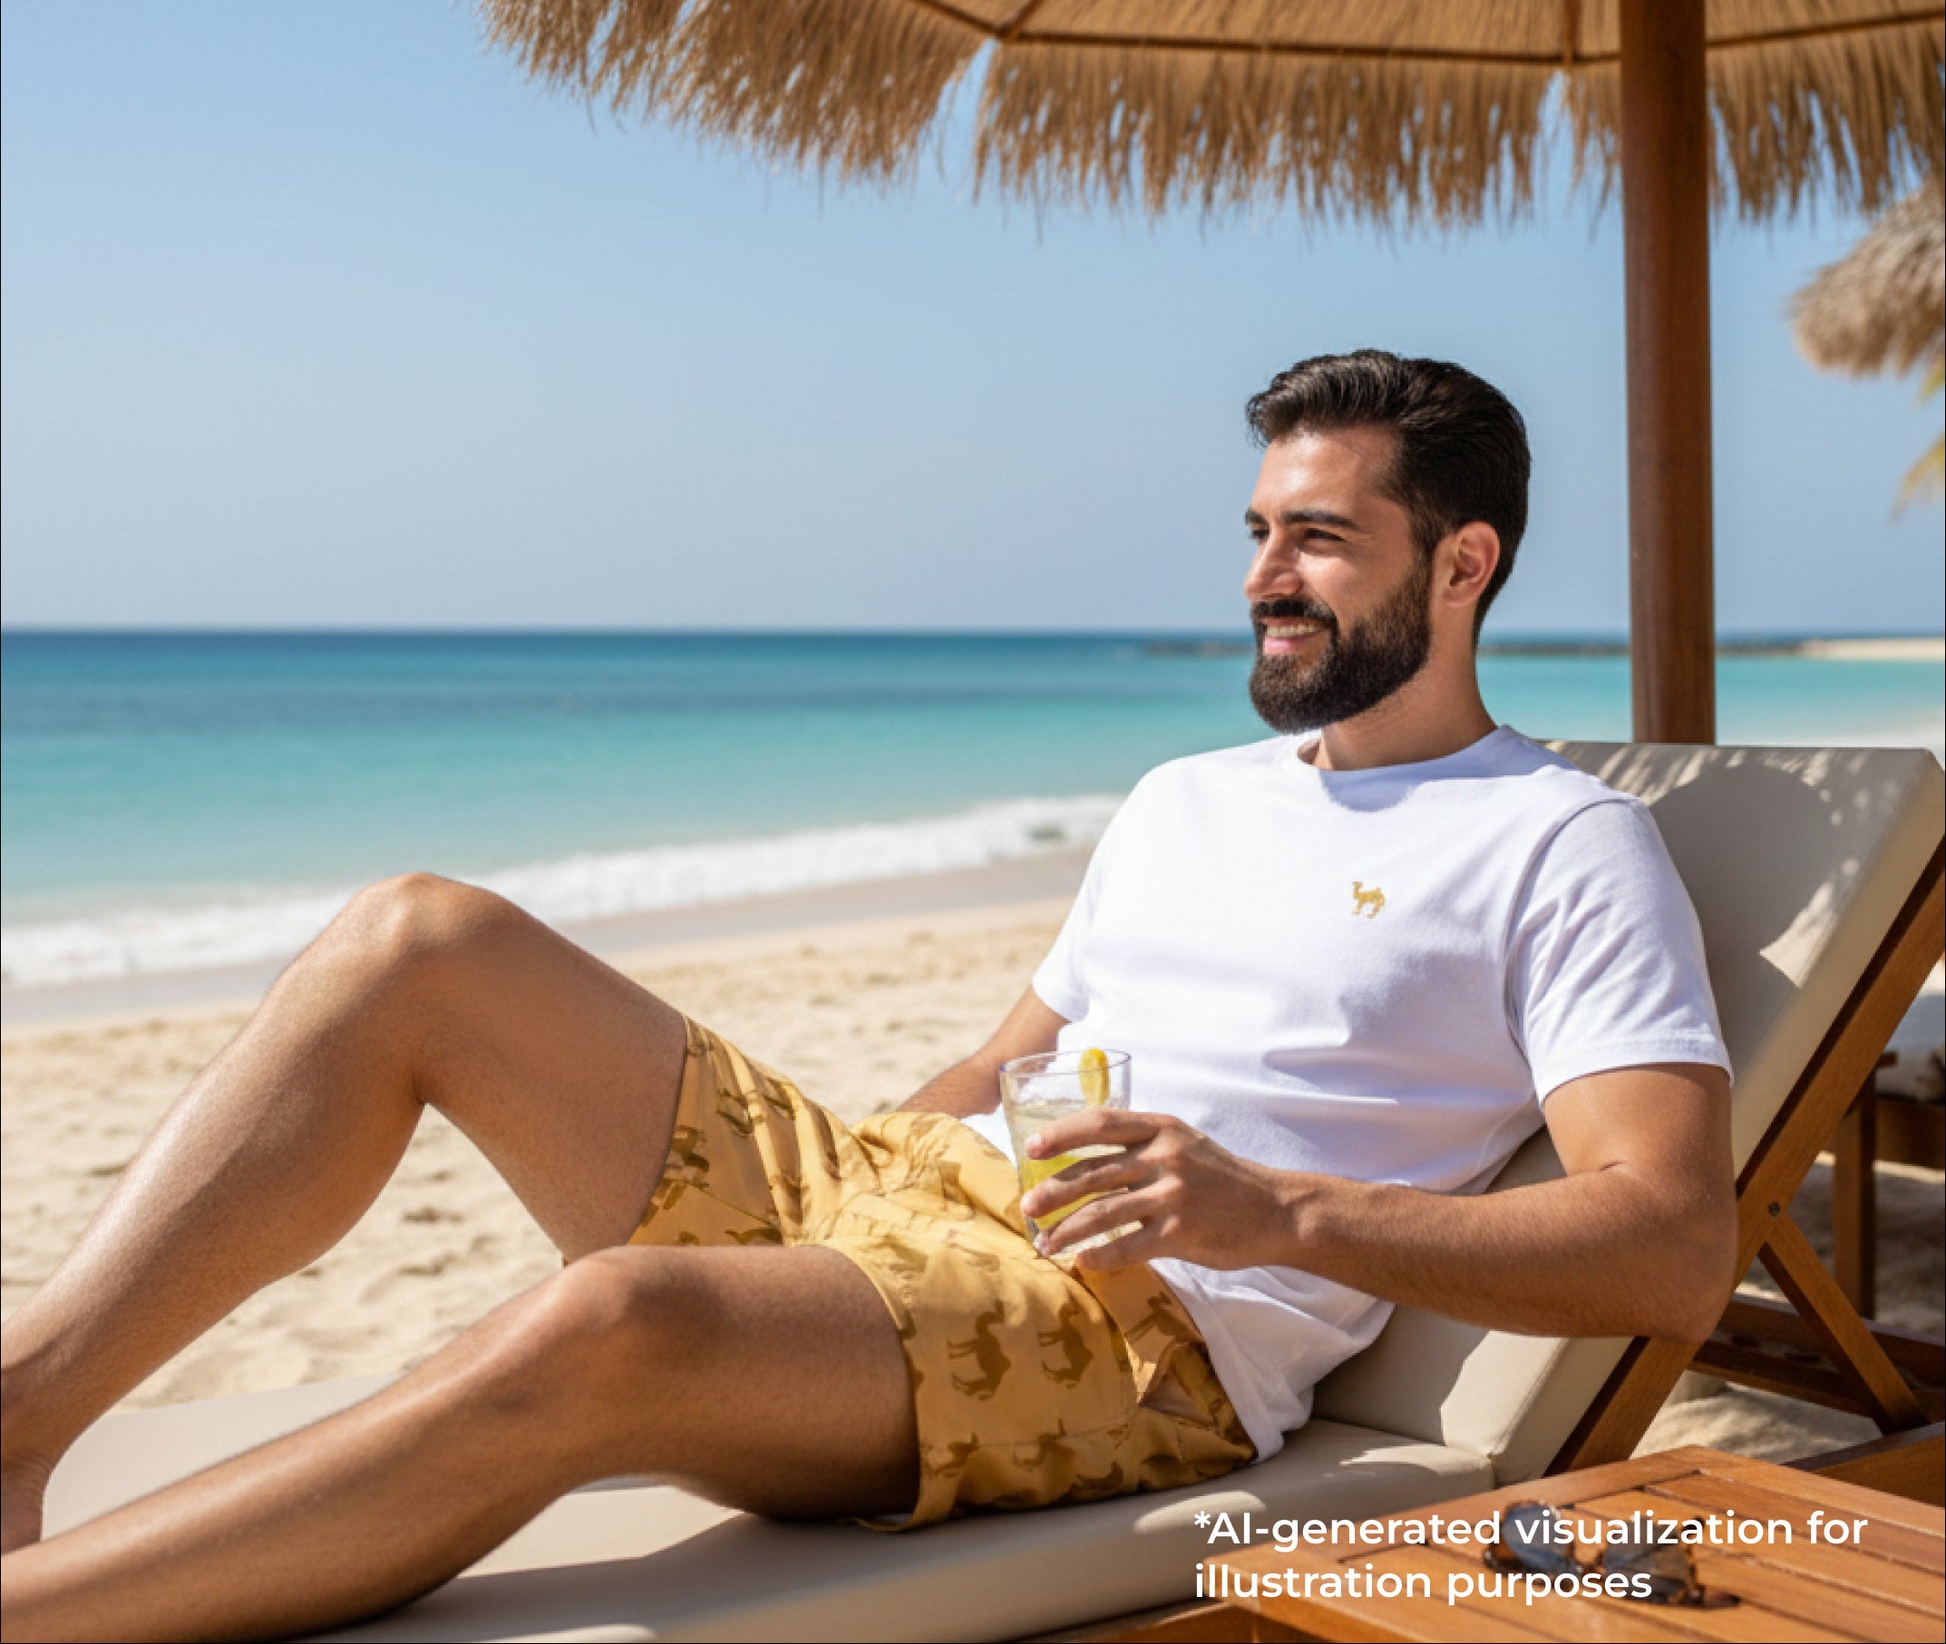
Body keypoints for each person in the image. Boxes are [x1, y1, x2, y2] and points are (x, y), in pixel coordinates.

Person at [0, 351, 1736, 1642]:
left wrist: (1274, 1208)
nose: (1262, 579)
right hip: (921, 1208)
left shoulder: (1555, 844)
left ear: (1461, 565)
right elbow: (1010, 1055)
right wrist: (877, 1165)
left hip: (1138, 1337)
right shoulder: (1185, 795)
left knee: (615, 1318)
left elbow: (1665, 1243)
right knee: (419, 937)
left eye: (1321, 541)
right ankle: (24, 1412)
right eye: (1259, 532)